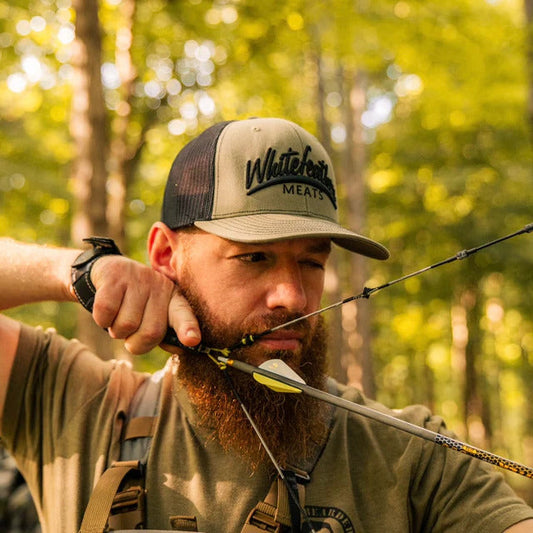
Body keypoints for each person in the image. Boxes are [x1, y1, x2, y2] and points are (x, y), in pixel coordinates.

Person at [0, 117, 532, 533]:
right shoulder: (73, 405)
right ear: (165, 254)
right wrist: (74, 271)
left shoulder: (405, 453)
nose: (293, 297)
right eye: (254, 258)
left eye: (312, 261)